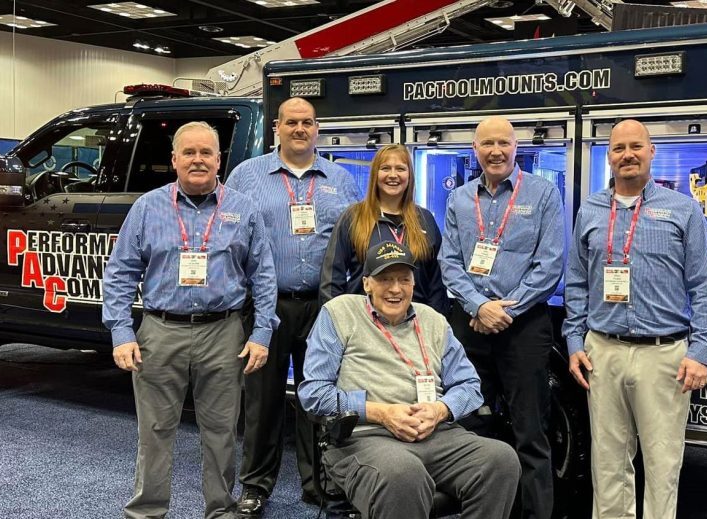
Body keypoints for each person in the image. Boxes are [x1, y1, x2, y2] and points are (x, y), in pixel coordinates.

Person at [102, 121, 279, 519]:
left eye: (206, 153)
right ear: (174, 160)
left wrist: (263, 332)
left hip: (224, 332)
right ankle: (147, 512)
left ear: (219, 160)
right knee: (155, 431)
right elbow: (120, 272)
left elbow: (263, 275)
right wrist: (120, 331)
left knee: (220, 434)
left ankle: (221, 510)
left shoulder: (242, 208)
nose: (197, 160)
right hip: (159, 332)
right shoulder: (148, 207)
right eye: (189, 152)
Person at [563, 119, 707, 519]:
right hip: (603, 351)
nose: (627, 155)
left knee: (662, 462)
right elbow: (577, 283)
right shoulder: (591, 210)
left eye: (636, 146)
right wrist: (573, 342)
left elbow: (706, 286)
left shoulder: (682, 210)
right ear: (609, 157)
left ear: (652, 151)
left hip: (664, 356)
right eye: (618, 148)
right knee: (607, 463)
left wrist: (701, 352)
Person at [299, 240, 521, 519]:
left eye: (404, 279)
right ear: (367, 283)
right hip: (365, 438)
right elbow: (313, 394)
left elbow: (469, 386)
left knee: (501, 460)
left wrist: (440, 410)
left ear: (414, 284)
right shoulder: (339, 312)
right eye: (385, 279)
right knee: (403, 474)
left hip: (436, 435)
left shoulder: (433, 320)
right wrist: (382, 413)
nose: (395, 289)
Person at [226, 97, 360, 515]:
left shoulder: (342, 179)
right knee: (261, 399)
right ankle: (255, 485)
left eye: (307, 123)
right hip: (266, 304)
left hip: (324, 305)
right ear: (277, 129)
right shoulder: (246, 176)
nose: (299, 129)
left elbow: (357, 242)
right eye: (291, 123)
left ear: (317, 128)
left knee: (317, 395)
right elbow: (229, 237)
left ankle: (319, 482)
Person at [438, 116, 565, 519]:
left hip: (523, 327)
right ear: (475, 149)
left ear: (516, 147)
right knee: (470, 426)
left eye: (503, 143)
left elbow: (550, 265)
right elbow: (450, 263)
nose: (496, 151)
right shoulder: (459, 199)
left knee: (532, 432)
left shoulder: (543, 194)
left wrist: (502, 310)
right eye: (487, 143)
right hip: (470, 327)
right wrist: (479, 306)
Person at [321, 143, 447, 312]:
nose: (393, 175)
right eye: (385, 168)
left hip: (415, 325)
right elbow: (331, 280)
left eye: (400, 169)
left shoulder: (424, 220)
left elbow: (437, 283)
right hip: (364, 325)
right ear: (375, 175)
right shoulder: (353, 217)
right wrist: (338, 323)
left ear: (410, 175)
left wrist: (433, 325)